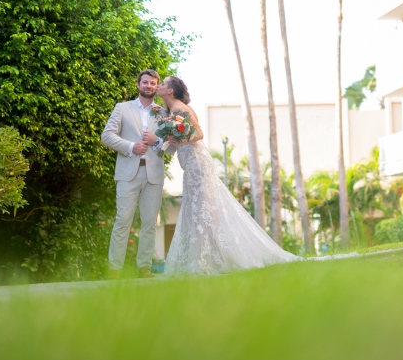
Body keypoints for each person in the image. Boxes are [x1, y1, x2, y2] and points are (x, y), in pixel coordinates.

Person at [158, 76, 300, 275]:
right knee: (198, 210)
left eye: (163, 84)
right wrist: (174, 138)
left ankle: (206, 260)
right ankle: (204, 257)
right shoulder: (172, 110)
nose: (159, 86)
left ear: (170, 91)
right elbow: (184, 134)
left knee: (202, 211)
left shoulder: (180, 109)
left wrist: (180, 140)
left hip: (197, 164)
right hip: (190, 165)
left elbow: (198, 133)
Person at [101, 69, 175, 279]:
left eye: (153, 83)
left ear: (156, 86)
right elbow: (107, 136)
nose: (149, 86)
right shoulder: (122, 108)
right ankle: (115, 269)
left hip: (153, 175)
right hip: (127, 173)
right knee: (122, 220)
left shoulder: (163, 113)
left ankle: (144, 267)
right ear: (138, 85)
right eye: (145, 82)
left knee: (150, 222)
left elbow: (171, 147)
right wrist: (131, 146)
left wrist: (157, 141)